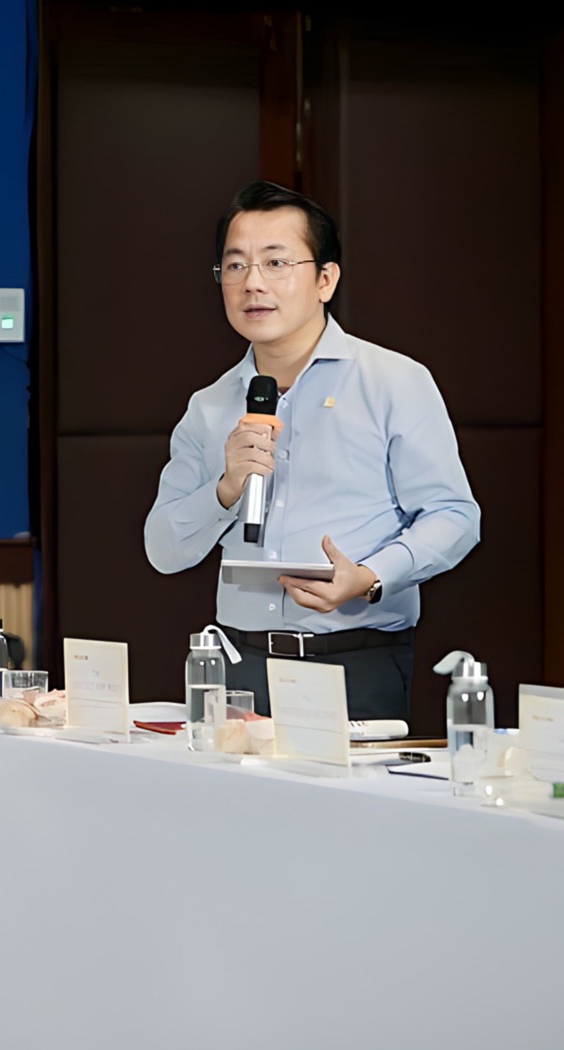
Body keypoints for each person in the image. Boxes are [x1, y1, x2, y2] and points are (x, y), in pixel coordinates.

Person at [143, 180, 479, 719]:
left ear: (325, 279)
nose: (252, 283)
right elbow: (163, 549)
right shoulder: (209, 405)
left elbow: (455, 515)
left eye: (276, 263)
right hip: (239, 665)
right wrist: (226, 489)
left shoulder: (394, 381)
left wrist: (371, 576)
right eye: (235, 265)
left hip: (356, 662)